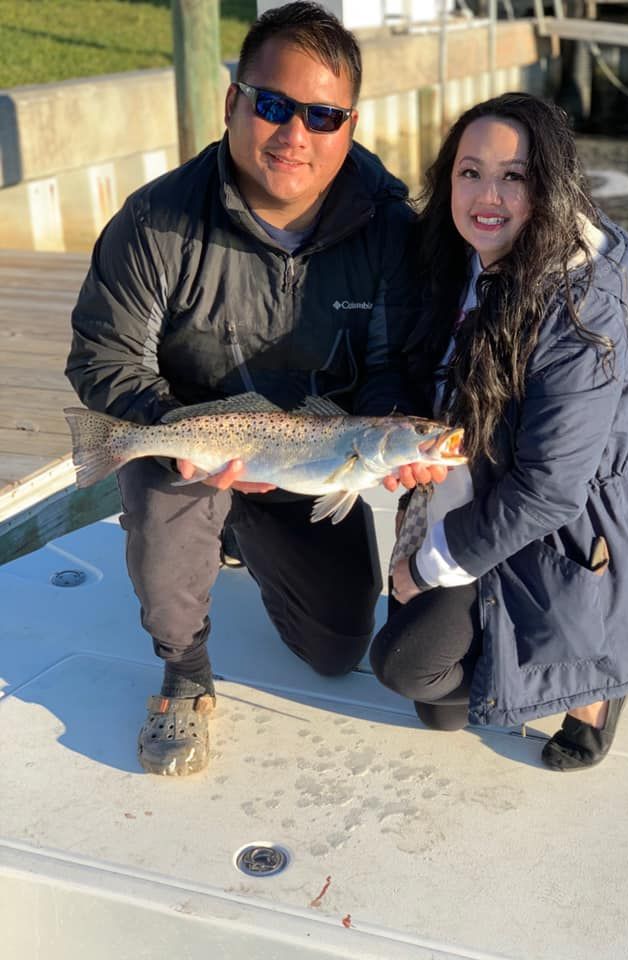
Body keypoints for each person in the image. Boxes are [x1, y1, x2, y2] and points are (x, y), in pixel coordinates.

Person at [65, 2, 445, 776]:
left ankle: (244, 536)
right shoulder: (154, 219)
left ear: (350, 124)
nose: (294, 133)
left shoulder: (388, 230)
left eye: (322, 114)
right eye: (273, 104)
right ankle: (184, 673)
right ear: (235, 101)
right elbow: (102, 356)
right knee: (172, 548)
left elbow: (389, 368)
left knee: (339, 646)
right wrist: (181, 432)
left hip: (308, 456)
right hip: (185, 443)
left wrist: (395, 448)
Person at [370, 92, 628, 771]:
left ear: (552, 186)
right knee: (431, 700)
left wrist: (428, 564)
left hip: (564, 528)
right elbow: (399, 363)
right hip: (470, 489)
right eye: (470, 171)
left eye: (515, 176)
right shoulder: (448, 256)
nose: (488, 194)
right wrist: (398, 431)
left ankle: (598, 691)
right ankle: (492, 634)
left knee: (403, 663)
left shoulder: (582, 311)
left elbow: (548, 491)